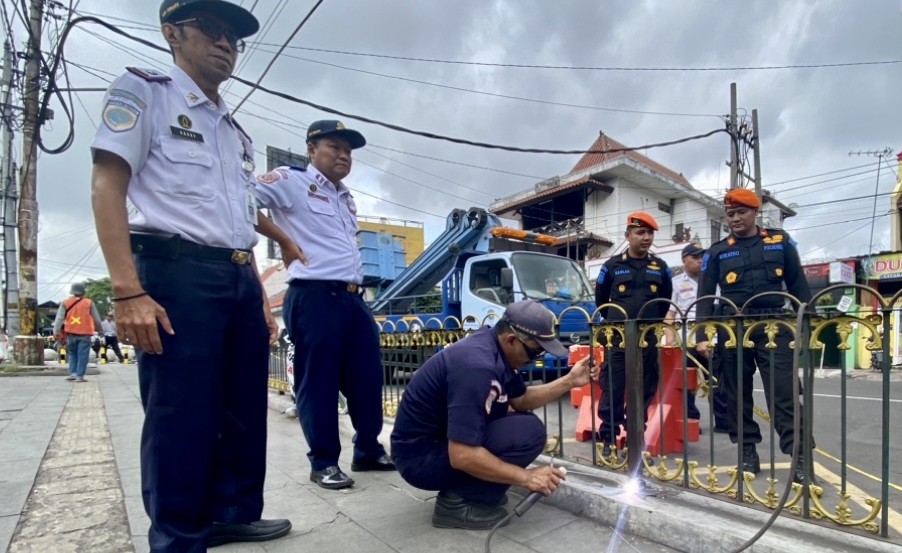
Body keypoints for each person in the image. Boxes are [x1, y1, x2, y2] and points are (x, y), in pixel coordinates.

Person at [90, 0, 290, 553]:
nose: (226, 44)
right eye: (211, 29)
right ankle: (174, 543)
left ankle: (231, 513)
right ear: (172, 33)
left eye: (235, 36)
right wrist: (126, 291)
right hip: (174, 272)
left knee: (239, 406)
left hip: (234, 275)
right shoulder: (143, 93)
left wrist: (255, 288)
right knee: (181, 410)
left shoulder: (233, 131)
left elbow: (238, 223)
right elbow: (107, 186)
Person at [254, 119, 395, 489]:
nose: (343, 156)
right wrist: (282, 239)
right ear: (311, 148)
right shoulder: (290, 180)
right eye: (334, 147)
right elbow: (238, 200)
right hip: (315, 296)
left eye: (348, 151)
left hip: (354, 297)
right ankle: (323, 462)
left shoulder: (345, 196)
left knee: (367, 378)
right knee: (319, 382)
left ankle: (367, 449)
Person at [390, 300, 597, 529]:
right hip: (420, 460)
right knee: (528, 433)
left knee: (527, 426)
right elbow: (461, 455)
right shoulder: (477, 367)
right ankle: (457, 503)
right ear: (511, 340)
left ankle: (477, 489)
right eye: (535, 351)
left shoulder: (496, 350)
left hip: (438, 445)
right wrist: (527, 477)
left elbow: (520, 400)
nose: (535, 359)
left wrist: (570, 381)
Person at [695, 189, 812, 482]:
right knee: (735, 395)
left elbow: (799, 286)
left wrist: (805, 328)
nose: (735, 218)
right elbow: (705, 297)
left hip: (774, 326)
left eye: (741, 212)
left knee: (783, 394)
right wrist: (702, 336)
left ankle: (800, 459)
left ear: (754, 212)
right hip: (733, 328)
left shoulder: (780, 242)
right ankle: (747, 452)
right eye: (730, 214)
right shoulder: (717, 251)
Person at [594, 212, 673, 455]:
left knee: (644, 388)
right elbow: (601, 301)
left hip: (647, 337)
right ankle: (608, 437)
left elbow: (665, 300)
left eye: (650, 233)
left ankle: (634, 436)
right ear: (628, 236)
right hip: (617, 338)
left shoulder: (660, 267)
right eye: (640, 233)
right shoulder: (611, 266)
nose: (646, 237)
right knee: (613, 386)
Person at [664, 243, 706, 421]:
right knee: (687, 380)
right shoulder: (675, 283)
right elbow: (670, 313)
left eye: (701, 257)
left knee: (718, 378)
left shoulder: (711, 280)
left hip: (710, 335)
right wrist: (670, 340)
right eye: (695, 257)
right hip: (685, 337)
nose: (700, 261)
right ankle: (690, 417)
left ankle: (724, 420)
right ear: (684, 260)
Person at [52, 282, 102, 382]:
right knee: (83, 354)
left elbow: (59, 319)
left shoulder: (65, 302)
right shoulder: (89, 303)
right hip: (85, 333)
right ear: (83, 292)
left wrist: (56, 332)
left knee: (72, 353)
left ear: (72, 292)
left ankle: (72, 373)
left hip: (70, 333)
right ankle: (80, 376)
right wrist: (100, 330)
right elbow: (97, 319)